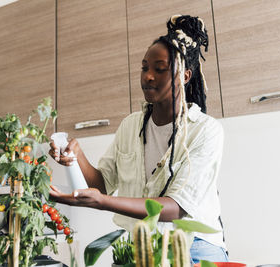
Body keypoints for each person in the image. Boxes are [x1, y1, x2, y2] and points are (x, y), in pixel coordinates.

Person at [49, 14, 228, 263]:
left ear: (185, 76)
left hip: (194, 244)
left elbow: (176, 208)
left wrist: (104, 203)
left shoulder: (206, 131)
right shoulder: (131, 125)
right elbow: (102, 185)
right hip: (146, 244)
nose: (148, 77)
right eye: (144, 68)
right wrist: (77, 157)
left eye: (160, 69)